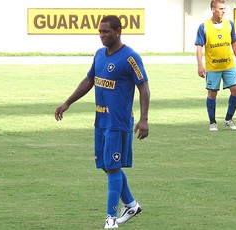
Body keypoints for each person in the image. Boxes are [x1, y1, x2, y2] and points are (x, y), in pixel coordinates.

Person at [55, 15, 150, 229]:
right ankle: (131, 205)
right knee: (107, 166)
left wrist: (144, 119)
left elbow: (143, 87)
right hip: (101, 120)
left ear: (118, 31)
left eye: (106, 31)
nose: (101, 36)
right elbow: (89, 80)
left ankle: (110, 218)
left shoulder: (130, 58)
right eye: (100, 31)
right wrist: (67, 103)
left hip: (118, 122)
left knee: (113, 167)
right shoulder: (99, 55)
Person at [195, 0, 236, 131]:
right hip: (213, 68)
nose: (223, 11)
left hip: (229, 66)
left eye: (224, 8)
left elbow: (234, 44)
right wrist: (200, 65)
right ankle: (212, 122)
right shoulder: (204, 27)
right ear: (213, 9)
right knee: (212, 93)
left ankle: (228, 119)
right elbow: (199, 46)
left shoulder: (229, 25)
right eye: (220, 8)